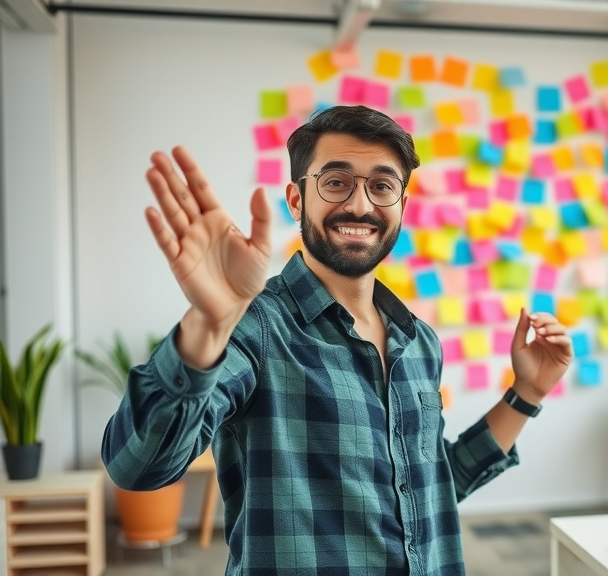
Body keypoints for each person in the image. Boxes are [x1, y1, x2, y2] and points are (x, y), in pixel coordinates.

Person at [102, 105, 573, 576]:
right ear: (296, 198)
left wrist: (527, 392)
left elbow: (427, 492)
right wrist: (209, 322)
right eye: (336, 182)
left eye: (382, 186)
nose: (361, 205)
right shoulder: (257, 327)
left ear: (402, 207)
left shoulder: (418, 341)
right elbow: (137, 466)